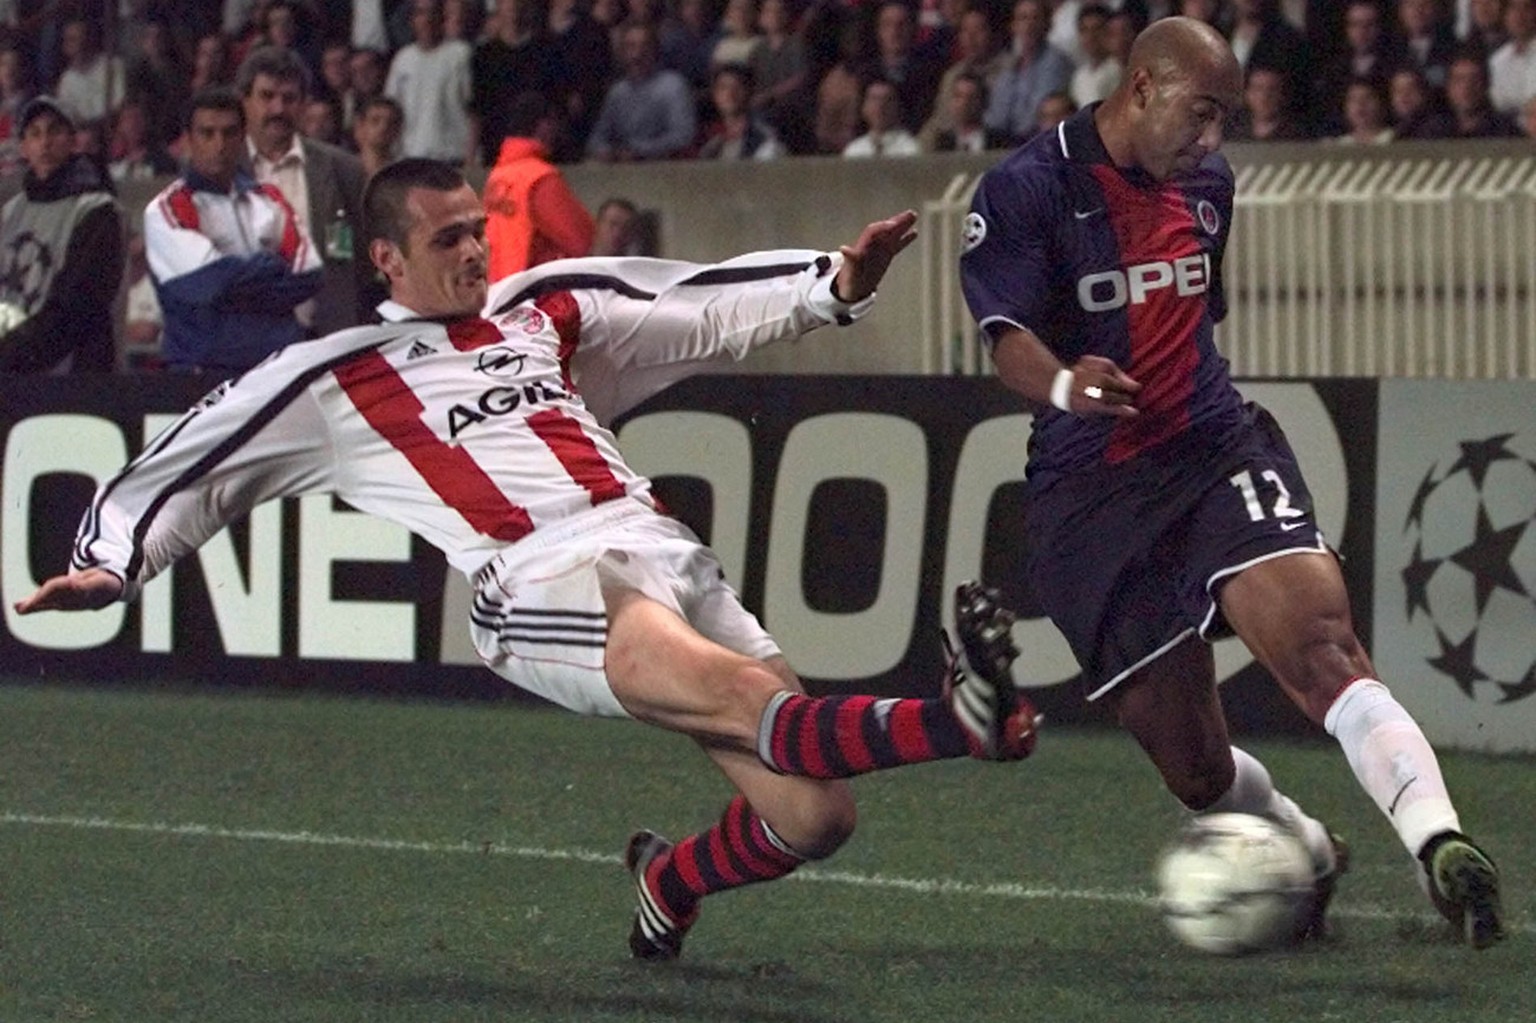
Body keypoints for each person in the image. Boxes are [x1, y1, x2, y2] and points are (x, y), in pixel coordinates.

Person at [15, 157, 1039, 963]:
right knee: (734, 693)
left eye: (477, 230)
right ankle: (958, 719)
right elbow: (204, 456)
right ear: (387, 261)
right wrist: (115, 558)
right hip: (535, 578)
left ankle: (669, 883)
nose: (474, 251)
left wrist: (834, 284)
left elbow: (699, 303)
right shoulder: (335, 375)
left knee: (815, 816)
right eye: (448, 238)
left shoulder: (544, 305)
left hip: (655, 546)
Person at [957, 15, 1505, 950]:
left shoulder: (1208, 183)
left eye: (1227, 120)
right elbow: (1004, 337)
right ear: (1141, 89)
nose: (1213, 141)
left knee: (1323, 645)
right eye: (1201, 113)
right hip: (1089, 496)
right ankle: (1304, 844)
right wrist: (1063, 383)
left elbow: (1200, 313)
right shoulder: (1025, 189)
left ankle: (1440, 842)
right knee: (1196, 770)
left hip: (1213, 450)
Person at [145, 87, 322, 376]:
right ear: (189, 140)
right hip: (201, 373)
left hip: (276, 369)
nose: (219, 144)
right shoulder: (166, 208)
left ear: (242, 137)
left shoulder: (270, 198)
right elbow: (204, 285)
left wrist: (230, 275)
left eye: (229, 133)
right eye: (207, 133)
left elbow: (309, 274)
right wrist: (269, 264)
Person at [239, 45, 370, 337]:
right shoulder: (222, 171)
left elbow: (361, 258)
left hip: (325, 336)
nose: (278, 109)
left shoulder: (343, 169)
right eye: (267, 96)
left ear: (303, 104)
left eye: (289, 98)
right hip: (244, 339)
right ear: (245, 100)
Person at [0, 96, 124, 373]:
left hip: (73, 373)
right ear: (23, 147)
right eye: (35, 134)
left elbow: (80, 304)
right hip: (13, 371)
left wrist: (10, 354)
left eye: (54, 131)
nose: (45, 143)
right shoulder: (10, 212)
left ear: (72, 140)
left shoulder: (97, 210)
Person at [482, 90, 594, 279]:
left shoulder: (497, 177)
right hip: (529, 293)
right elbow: (582, 241)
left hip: (495, 290)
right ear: (543, 125)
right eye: (554, 122)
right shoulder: (539, 178)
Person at [586, 19, 698, 162]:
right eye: (631, 46)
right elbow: (597, 138)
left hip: (665, 170)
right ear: (623, 52)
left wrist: (639, 151)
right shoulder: (618, 92)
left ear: (655, 49)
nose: (637, 53)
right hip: (624, 171)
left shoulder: (673, 85)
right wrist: (606, 151)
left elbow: (683, 136)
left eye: (644, 45)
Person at [385, 0, 474, 164]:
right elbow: (392, 110)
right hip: (412, 157)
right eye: (420, 13)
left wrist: (471, 158)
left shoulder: (461, 54)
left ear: (442, 18)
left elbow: (473, 111)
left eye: (432, 12)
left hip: (452, 157)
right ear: (412, 20)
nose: (426, 19)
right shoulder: (402, 59)